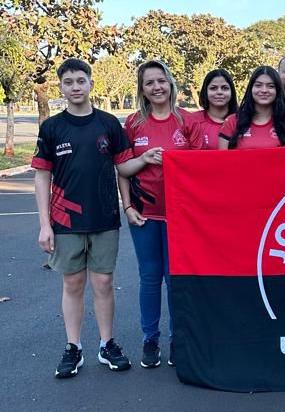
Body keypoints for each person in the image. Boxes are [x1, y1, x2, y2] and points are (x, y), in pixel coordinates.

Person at [33, 58, 140, 378]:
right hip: (65, 220)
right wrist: (43, 224)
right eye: (68, 82)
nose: (75, 87)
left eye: (81, 81)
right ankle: (73, 347)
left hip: (105, 216)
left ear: (91, 84)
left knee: (104, 282)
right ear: (61, 87)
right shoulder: (52, 127)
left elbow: (124, 168)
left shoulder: (109, 124)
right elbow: (41, 176)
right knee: (73, 282)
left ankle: (107, 344)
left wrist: (147, 159)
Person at [117, 59, 203, 369]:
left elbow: (202, 171)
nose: (157, 87)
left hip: (180, 217)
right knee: (150, 278)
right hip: (145, 214)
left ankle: (177, 339)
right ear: (142, 89)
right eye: (150, 82)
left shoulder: (188, 122)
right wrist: (127, 206)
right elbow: (122, 170)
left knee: (175, 279)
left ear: (171, 84)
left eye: (161, 80)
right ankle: (149, 339)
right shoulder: (133, 124)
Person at [218, 65, 285, 149]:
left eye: (270, 86)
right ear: (251, 89)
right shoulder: (232, 122)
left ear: (277, 91)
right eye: (258, 85)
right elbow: (222, 160)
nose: (264, 90)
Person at [190, 69, 238, 149]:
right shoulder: (192, 121)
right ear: (205, 91)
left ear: (232, 92)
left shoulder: (243, 120)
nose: (219, 92)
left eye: (224, 88)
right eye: (213, 88)